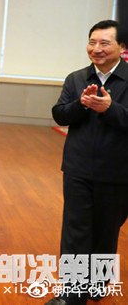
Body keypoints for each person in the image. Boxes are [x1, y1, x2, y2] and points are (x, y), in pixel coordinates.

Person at [47, 20, 128, 305]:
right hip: (78, 168)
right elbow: (60, 114)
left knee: (106, 231)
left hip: (118, 172)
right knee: (75, 231)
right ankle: (71, 293)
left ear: (122, 47)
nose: (96, 49)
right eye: (92, 42)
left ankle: (97, 283)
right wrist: (80, 104)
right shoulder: (76, 78)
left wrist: (110, 109)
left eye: (105, 43)